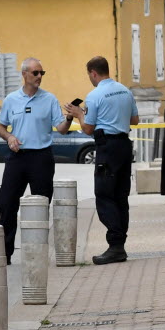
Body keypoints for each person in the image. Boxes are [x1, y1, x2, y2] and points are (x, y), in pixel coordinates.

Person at [63, 55, 140, 264]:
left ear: (93, 73)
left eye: (89, 75)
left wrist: (78, 113)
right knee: (121, 195)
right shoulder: (125, 90)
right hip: (124, 145)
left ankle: (115, 246)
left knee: (105, 195)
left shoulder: (95, 95)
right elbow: (135, 120)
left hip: (107, 147)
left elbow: (88, 128)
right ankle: (120, 244)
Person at [0, 57, 70, 263]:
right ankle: (6, 253)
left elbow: (61, 129)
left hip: (41, 158)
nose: (39, 77)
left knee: (40, 207)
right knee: (7, 204)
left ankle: (37, 254)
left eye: (42, 73)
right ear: (24, 74)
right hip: (17, 158)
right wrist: (9, 137)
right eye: (35, 73)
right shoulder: (11, 99)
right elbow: (1, 127)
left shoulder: (49, 99)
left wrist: (70, 117)